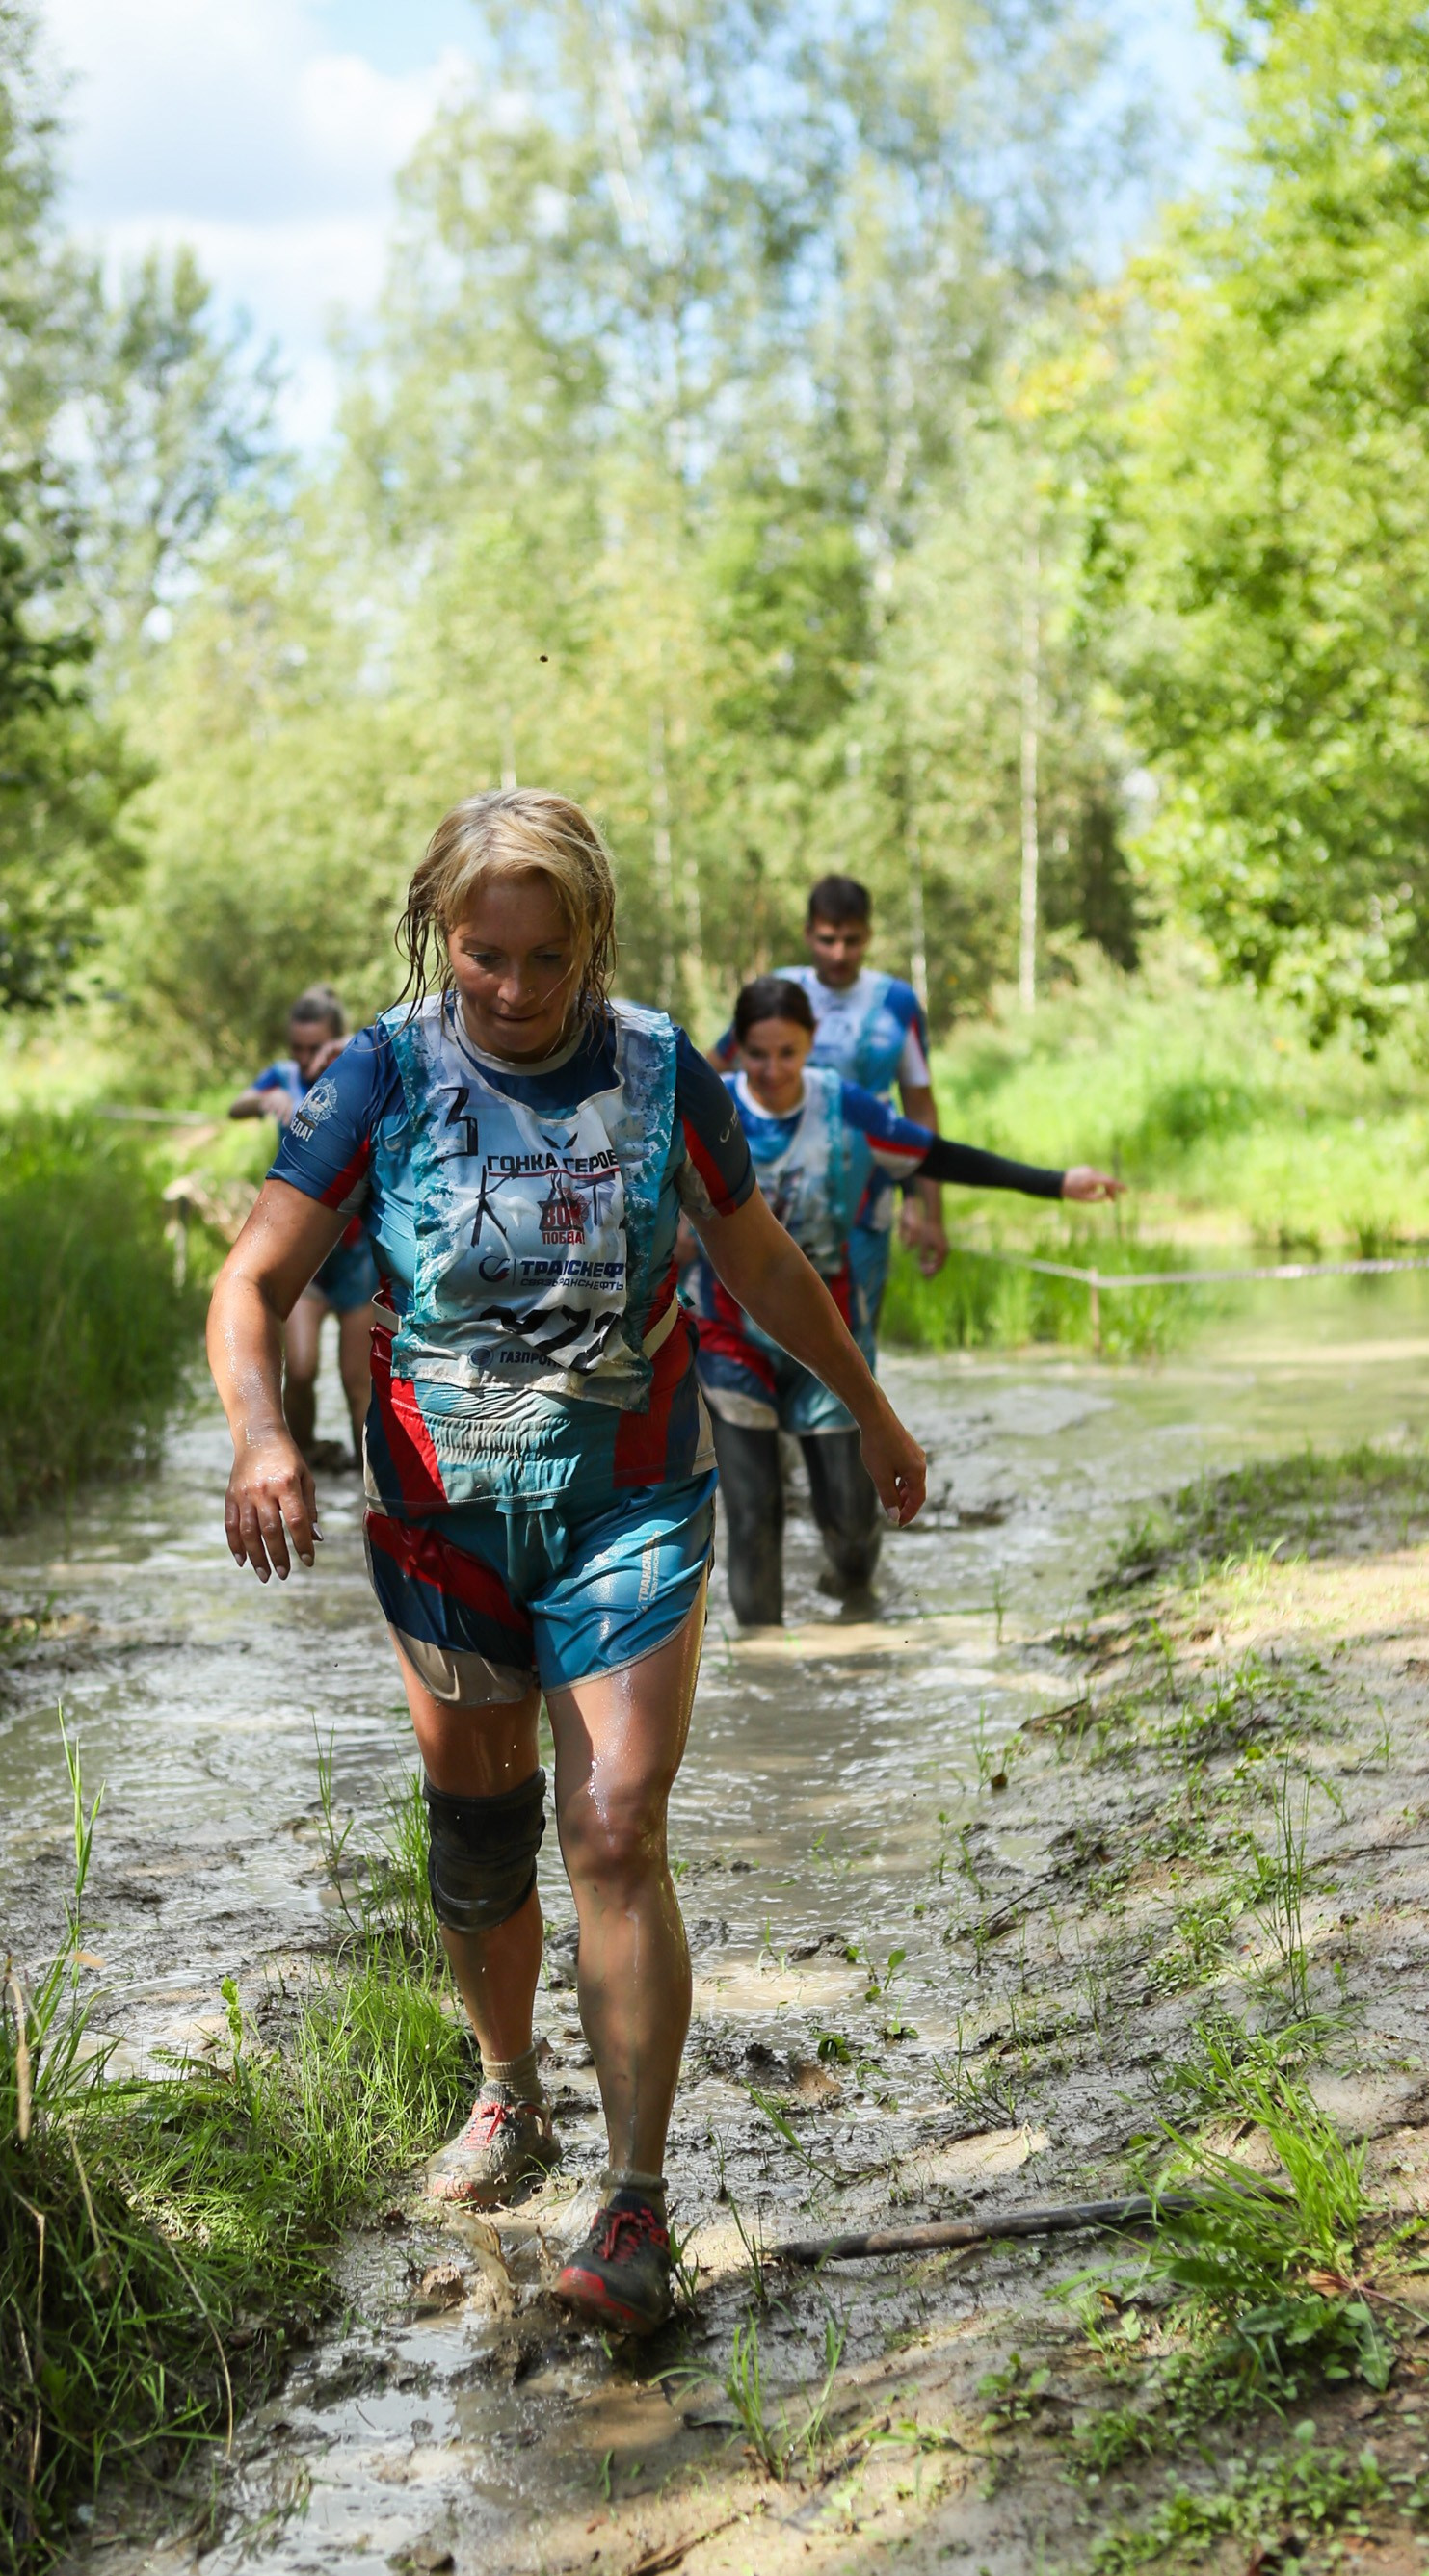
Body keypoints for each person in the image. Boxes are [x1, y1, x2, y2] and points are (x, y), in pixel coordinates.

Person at [205, 791, 929, 2335]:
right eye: (485, 959)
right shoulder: (384, 1071)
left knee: (611, 1825)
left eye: (549, 958)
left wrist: (866, 1408)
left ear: (594, 935)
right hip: (438, 1514)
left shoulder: (667, 1068)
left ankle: (639, 2203)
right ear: (441, 941)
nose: (518, 993)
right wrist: (268, 1440)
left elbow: (756, 1258)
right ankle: (508, 2087)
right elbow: (255, 1276)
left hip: (629, 1499)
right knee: (480, 1837)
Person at [695, 975, 1123, 1625]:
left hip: (826, 1334)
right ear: (738, 1049)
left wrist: (1057, 1183)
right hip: (729, 1336)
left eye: (788, 1052)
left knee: (851, 1525)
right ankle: (767, 1676)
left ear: (812, 1044)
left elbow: (938, 1155)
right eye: (757, 1054)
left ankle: (857, 1611)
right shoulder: (705, 1111)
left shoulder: (847, 1109)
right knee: (752, 1516)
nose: (773, 1069)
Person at [713, 873, 948, 1301]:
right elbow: (712, 1075)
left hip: (864, 1196)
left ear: (870, 936)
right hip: (772, 1190)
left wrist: (932, 1211)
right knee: (760, 1321)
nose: (839, 953)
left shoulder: (896, 1003)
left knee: (852, 1325)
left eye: (852, 940)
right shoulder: (780, 991)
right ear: (808, 934)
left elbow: (920, 1110)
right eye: (827, 939)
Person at [229, 986, 377, 1466]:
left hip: (356, 1254)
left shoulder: (360, 1073)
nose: (305, 1056)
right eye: (297, 1046)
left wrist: (348, 1048)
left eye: (317, 1046)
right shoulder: (285, 1077)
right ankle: (304, 1458)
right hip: (304, 1255)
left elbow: (391, 1046)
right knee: (303, 1368)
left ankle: (370, 1485)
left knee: (360, 1381)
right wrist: (266, 1099)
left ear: (336, 1041)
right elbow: (238, 1105)